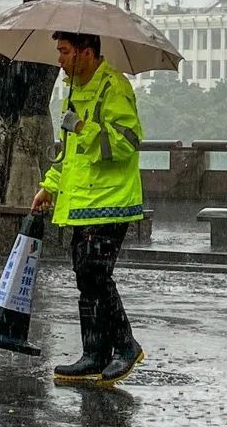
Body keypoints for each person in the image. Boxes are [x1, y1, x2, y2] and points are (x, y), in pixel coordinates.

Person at [31, 31, 146, 385]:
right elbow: (68, 153)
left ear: (86, 52)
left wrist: (82, 125)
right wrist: (49, 186)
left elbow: (128, 143)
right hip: (83, 202)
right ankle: (94, 354)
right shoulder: (74, 92)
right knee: (85, 276)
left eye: (65, 52)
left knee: (96, 272)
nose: (60, 60)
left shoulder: (114, 88)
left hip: (111, 201)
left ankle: (126, 346)